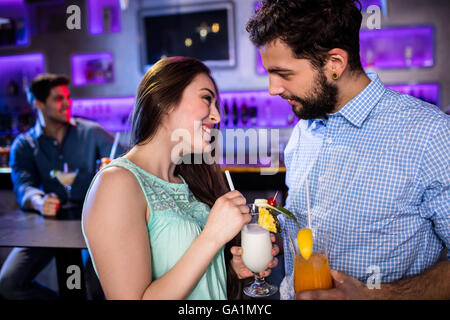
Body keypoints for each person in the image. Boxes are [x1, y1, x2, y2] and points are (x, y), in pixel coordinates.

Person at [242, 0, 450, 299]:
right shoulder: (304, 129)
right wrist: (270, 246)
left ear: (335, 64)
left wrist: (376, 295)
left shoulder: (429, 134)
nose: (272, 89)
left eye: (284, 74)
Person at [81, 56, 279, 300]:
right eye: (207, 99)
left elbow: (189, 277)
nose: (216, 116)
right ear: (165, 102)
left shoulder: (186, 181)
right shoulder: (117, 183)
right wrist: (213, 236)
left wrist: (231, 270)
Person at [0, 73, 126, 300]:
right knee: (8, 283)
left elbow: (130, 161)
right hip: (47, 227)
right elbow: (24, 186)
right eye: (58, 98)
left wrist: (114, 169)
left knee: (94, 283)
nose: (67, 103)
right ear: (38, 103)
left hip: (94, 223)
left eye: (68, 97)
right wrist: (39, 201)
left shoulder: (92, 132)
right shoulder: (24, 145)